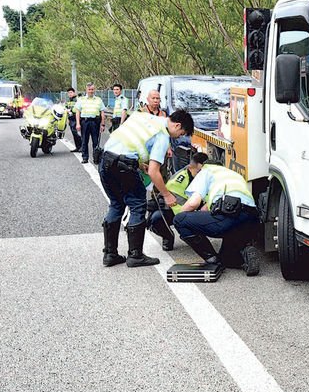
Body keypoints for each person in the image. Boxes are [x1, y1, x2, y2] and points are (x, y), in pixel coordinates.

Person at [99, 109, 194, 267]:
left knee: (116, 205)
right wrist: (167, 194)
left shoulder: (144, 117)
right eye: (181, 133)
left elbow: (130, 143)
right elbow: (154, 171)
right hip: (125, 168)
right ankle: (135, 255)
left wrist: (138, 164)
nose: (179, 137)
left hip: (106, 161)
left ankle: (110, 254)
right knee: (137, 206)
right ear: (177, 125)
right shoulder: (162, 136)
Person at [173, 164, 261, 276]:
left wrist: (182, 220)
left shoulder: (206, 171)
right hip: (251, 221)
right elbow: (206, 211)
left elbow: (193, 203)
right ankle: (244, 254)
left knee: (180, 219)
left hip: (228, 216)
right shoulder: (233, 175)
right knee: (227, 260)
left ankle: (213, 260)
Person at [147, 152, 209, 251]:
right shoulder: (180, 178)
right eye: (198, 172)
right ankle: (168, 236)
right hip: (182, 211)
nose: (200, 174)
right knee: (156, 219)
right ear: (190, 168)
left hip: (200, 211)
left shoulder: (209, 176)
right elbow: (173, 201)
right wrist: (185, 217)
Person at [75, 83, 106, 164]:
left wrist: (103, 124)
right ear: (86, 90)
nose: (91, 91)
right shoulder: (81, 99)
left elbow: (102, 112)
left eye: (92, 89)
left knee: (95, 141)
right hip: (84, 122)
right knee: (84, 140)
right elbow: (77, 112)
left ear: (94, 89)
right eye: (89, 89)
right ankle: (85, 157)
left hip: (95, 122)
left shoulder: (99, 100)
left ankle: (96, 158)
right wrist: (78, 123)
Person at [65, 87, 82, 152]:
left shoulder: (77, 99)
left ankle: (81, 147)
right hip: (71, 119)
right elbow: (66, 109)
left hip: (76, 118)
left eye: (71, 92)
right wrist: (68, 120)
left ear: (74, 93)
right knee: (74, 134)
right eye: (68, 93)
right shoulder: (69, 100)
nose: (70, 94)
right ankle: (77, 147)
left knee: (77, 133)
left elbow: (78, 108)